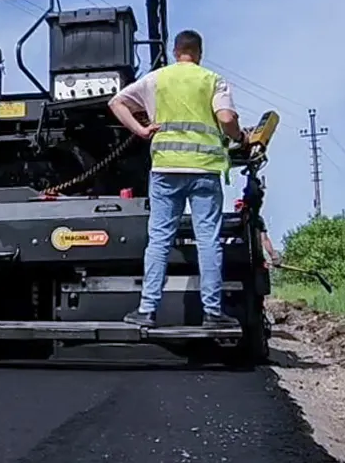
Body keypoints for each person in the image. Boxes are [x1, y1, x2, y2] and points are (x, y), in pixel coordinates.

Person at [107, 29, 250, 329]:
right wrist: (240, 137)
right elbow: (226, 120)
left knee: (159, 239)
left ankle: (146, 311)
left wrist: (141, 130)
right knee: (208, 240)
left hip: (165, 170)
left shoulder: (156, 79)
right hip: (204, 171)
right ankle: (212, 313)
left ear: (175, 52)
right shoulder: (212, 80)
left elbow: (116, 103)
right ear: (199, 53)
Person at [234, 199, 281, 268]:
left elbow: (264, 240)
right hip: (236, 256)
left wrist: (274, 257)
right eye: (237, 207)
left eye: (241, 206)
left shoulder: (257, 220)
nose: (239, 209)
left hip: (255, 258)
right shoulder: (231, 220)